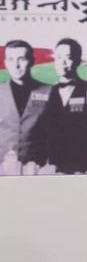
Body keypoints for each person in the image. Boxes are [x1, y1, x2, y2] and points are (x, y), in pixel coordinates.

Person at [38, 38, 87, 173]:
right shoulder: (48, 92)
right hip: (55, 169)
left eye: (68, 57)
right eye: (59, 57)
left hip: (84, 168)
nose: (63, 62)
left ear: (78, 61)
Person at [0, 40, 52, 175]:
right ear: (5, 63)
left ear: (32, 61)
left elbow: (56, 132)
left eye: (21, 59)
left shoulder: (49, 91)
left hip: (37, 168)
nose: (16, 65)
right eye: (11, 59)